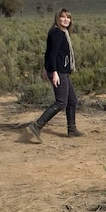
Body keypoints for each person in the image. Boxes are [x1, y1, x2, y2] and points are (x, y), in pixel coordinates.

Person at [27, 8, 84, 142]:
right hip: (59, 72)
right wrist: (53, 72)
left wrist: (46, 68)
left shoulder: (60, 32)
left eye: (68, 17)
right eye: (63, 17)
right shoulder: (57, 33)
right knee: (61, 102)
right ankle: (37, 126)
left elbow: (48, 53)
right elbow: (52, 54)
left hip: (61, 71)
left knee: (72, 100)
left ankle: (72, 129)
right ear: (57, 18)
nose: (66, 20)